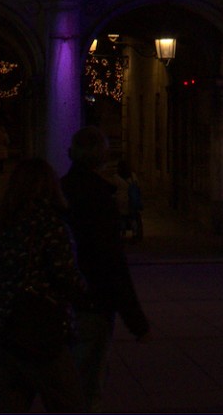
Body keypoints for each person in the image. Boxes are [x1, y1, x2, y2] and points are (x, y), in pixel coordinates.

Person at [0, 158, 83, 412]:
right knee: (69, 403)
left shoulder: (7, 225)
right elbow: (65, 276)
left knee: (11, 400)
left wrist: (8, 295)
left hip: (4, 328)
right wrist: (84, 294)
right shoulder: (52, 225)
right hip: (42, 330)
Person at [62, 128, 149, 411]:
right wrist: (136, 320)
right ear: (101, 157)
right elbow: (111, 262)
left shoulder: (61, 190)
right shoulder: (99, 199)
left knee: (72, 377)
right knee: (89, 383)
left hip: (64, 298)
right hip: (93, 301)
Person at [115, 158, 143, 244]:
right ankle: (135, 233)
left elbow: (114, 187)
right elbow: (137, 186)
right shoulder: (133, 176)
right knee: (133, 217)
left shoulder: (116, 177)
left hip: (121, 200)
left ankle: (122, 232)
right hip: (131, 200)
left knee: (122, 217)